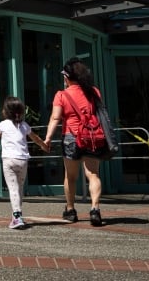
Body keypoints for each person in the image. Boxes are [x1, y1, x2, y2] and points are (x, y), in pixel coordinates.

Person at [43, 57, 106, 226]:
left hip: (71, 137)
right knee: (93, 174)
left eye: (65, 76)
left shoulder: (61, 95)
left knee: (70, 176)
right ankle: (95, 209)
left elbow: (55, 117)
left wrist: (48, 138)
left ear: (68, 77)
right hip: (91, 136)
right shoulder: (94, 92)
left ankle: (70, 210)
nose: (64, 79)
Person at [0, 96, 48, 229]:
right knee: (19, 188)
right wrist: (44, 146)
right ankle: (16, 215)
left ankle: (17, 217)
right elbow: (35, 138)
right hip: (23, 160)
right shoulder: (24, 125)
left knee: (13, 189)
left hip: (9, 161)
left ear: (6, 112)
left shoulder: (3, 125)